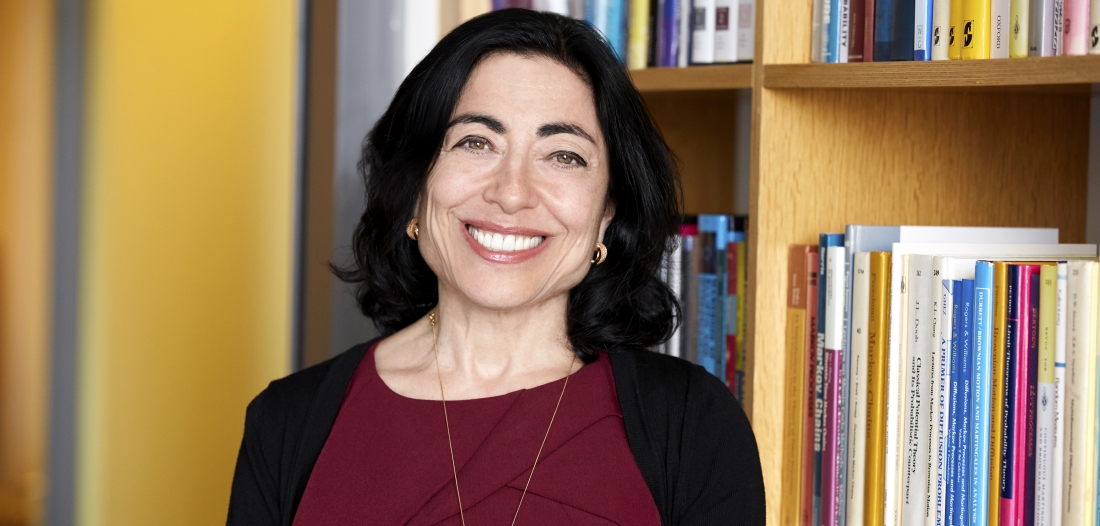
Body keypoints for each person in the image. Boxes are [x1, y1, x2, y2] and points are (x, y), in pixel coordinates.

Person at [227, 8, 764, 526]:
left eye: (563, 155)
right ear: (415, 190)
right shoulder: (286, 422)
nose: (511, 193)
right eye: (476, 142)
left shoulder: (695, 426)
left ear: (606, 214)